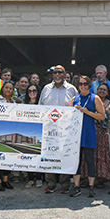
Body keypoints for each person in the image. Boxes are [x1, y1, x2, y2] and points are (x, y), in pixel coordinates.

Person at [39, 65, 78, 194]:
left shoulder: (72, 89)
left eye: (60, 72)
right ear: (52, 74)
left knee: (64, 156)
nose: (57, 75)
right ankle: (50, 182)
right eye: (55, 72)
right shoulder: (46, 89)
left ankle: (64, 183)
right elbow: (40, 108)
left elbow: (77, 109)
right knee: (48, 155)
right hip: (48, 129)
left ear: (64, 74)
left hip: (66, 130)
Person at [69, 76, 105, 198]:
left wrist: (87, 112)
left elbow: (102, 116)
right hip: (76, 134)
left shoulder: (95, 98)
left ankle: (91, 187)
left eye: (85, 84)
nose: (83, 86)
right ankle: (76, 186)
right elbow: (67, 115)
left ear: (89, 85)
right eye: (81, 84)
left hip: (89, 132)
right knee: (76, 161)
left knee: (90, 161)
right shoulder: (74, 99)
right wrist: (72, 110)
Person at [0, 80, 16, 191]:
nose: (8, 90)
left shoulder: (14, 102)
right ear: (2, 89)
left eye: (10, 88)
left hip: (11, 131)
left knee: (9, 157)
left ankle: (5, 180)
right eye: (6, 87)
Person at [23, 84, 44, 189]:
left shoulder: (42, 104)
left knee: (38, 156)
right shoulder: (23, 104)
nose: (32, 93)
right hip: (27, 132)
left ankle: (39, 178)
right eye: (29, 91)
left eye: (34, 90)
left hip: (40, 133)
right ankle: (30, 179)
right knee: (28, 156)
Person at [94, 83, 110, 188]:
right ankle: (91, 178)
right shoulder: (93, 101)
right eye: (100, 89)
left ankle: (102, 178)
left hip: (104, 131)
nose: (101, 91)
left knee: (103, 155)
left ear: (107, 93)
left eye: (104, 90)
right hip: (93, 131)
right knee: (93, 154)